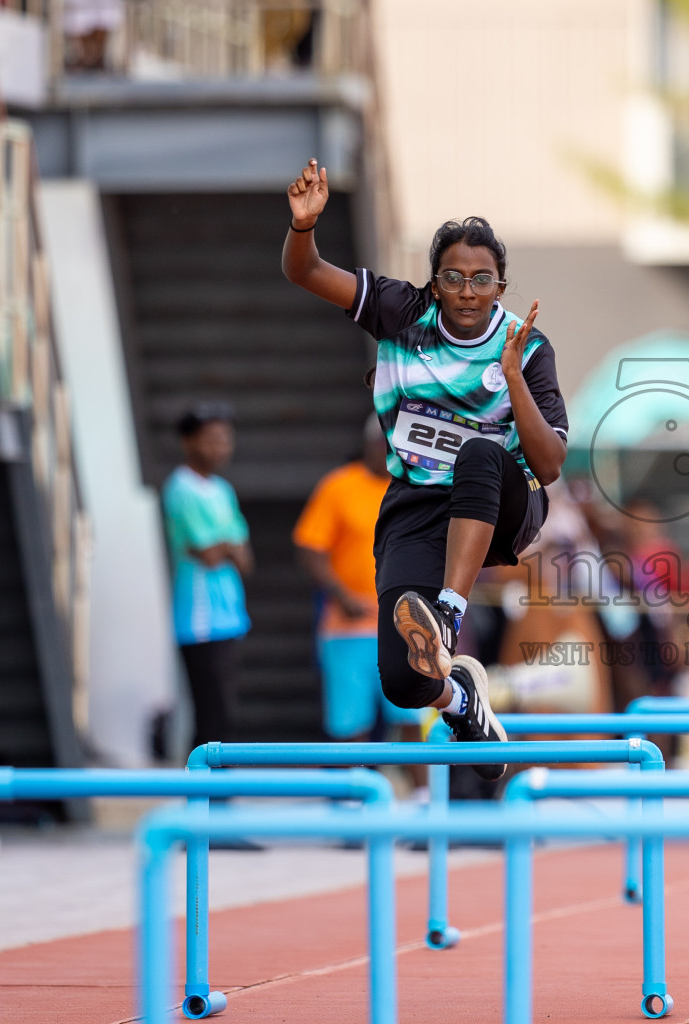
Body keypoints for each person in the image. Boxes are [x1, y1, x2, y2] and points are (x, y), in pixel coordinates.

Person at [281, 159, 568, 779]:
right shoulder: (400, 311)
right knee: (403, 683)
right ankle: (462, 701)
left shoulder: (529, 348)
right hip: (418, 504)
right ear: (435, 284)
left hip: (505, 505)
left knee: (480, 453)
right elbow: (303, 271)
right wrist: (304, 227)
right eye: (454, 279)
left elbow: (548, 466)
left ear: (500, 286)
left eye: (482, 280)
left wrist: (514, 378)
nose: (468, 291)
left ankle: (448, 616)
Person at [293, 417, 396, 740]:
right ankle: (355, 788)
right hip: (350, 626)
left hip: (404, 625)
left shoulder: (410, 489)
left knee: (414, 716)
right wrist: (341, 595)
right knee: (351, 722)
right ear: (371, 444)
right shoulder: (339, 486)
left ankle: (424, 792)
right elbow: (310, 549)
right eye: (386, 443)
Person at [162, 402, 254, 750]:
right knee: (210, 713)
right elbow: (211, 554)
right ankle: (206, 795)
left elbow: (244, 558)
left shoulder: (222, 489)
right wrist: (228, 546)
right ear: (188, 442)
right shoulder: (180, 488)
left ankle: (219, 794)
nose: (220, 448)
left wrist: (227, 547)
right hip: (198, 617)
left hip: (229, 615)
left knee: (224, 712)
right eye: (211, 440)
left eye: (225, 440)